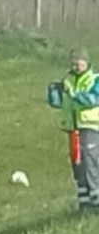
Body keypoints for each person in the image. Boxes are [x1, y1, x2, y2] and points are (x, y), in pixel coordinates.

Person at [47, 49, 99, 213]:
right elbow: (57, 103)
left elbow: (93, 99)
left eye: (79, 61)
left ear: (87, 62)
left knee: (91, 162)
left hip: (91, 127)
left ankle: (97, 200)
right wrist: (54, 91)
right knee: (78, 165)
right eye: (73, 62)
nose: (75, 65)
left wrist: (74, 94)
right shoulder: (68, 80)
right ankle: (85, 203)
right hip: (73, 128)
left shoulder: (95, 79)